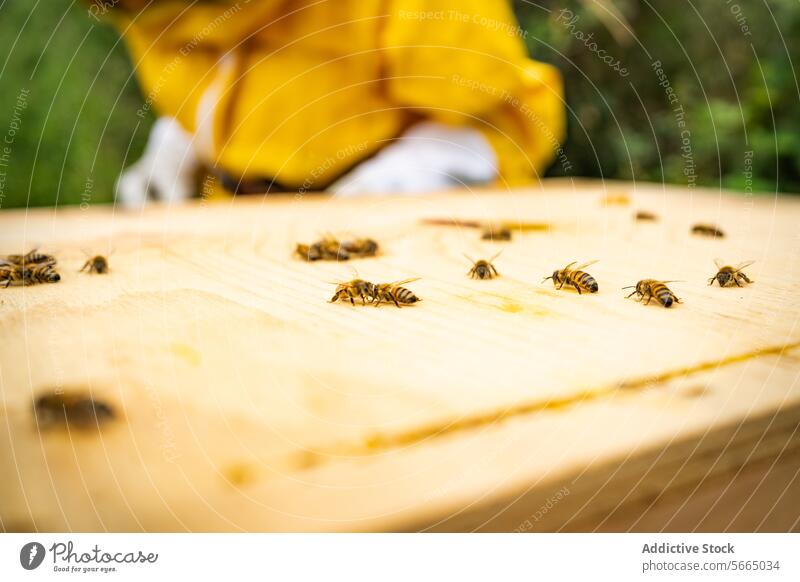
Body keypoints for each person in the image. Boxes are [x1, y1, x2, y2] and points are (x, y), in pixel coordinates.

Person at [105, 0, 565, 205]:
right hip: (233, 252)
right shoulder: (136, 9)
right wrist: (189, 133)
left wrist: (455, 152)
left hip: (392, 253)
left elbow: (514, 116)